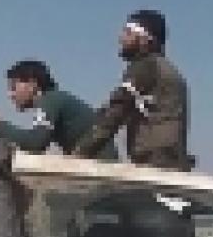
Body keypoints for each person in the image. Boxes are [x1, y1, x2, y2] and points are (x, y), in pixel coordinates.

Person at [73, 10, 194, 170]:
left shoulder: (146, 65)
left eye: (128, 32)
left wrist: (78, 155)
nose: (121, 38)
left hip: (155, 163)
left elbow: (114, 114)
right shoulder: (166, 69)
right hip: (168, 161)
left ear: (145, 39)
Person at [0, 59, 117, 159]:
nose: (10, 95)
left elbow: (35, 143)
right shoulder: (52, 99)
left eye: (13, 87)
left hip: (104, 173)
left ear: (32, 84)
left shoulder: (50, 100)